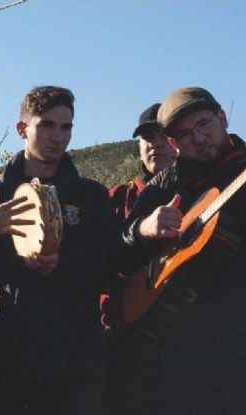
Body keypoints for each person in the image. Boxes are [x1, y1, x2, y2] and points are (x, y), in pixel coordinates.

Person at [0, 86, 120, 414]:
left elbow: (109, 267)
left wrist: (61, 263)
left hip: (75, 359)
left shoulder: (90, 196)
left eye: (66, 127)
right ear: (23, 129)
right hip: (9, 357)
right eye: (46, 124)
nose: (58, 136)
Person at [121, 87, 246, 415]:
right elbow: (117, 258)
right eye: (185, 134)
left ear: (222, 118)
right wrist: (143, 230)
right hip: (176, 349)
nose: (199, 137)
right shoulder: (163, 185)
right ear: (174, 144)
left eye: (204, 124)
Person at [102, 103, 176, 415]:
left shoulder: (203, 194)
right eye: (146, 136)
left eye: (162, 135)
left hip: (177, 336)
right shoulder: (117, 196)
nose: (154, 143)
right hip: (118, 334)